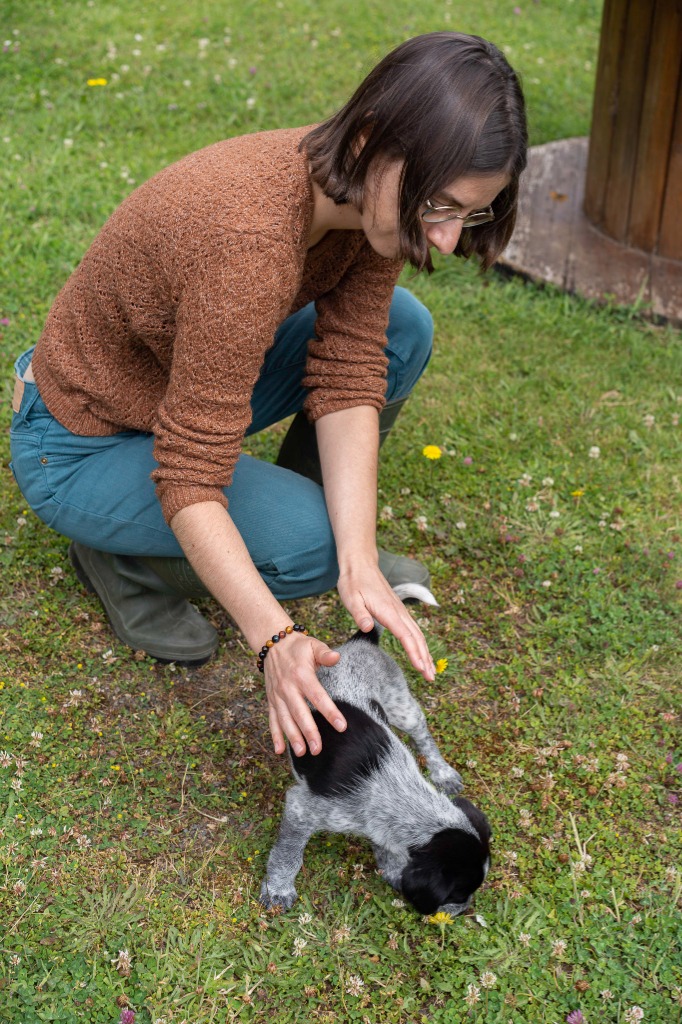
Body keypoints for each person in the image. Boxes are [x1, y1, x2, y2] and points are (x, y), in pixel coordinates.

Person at [9, 31, 527, 760]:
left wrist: (361, 562)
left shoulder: (362, 200)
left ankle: (293, 535)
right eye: (437, 205)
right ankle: (117, 554)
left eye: (469, 214)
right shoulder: (247, 247)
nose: (442, 242)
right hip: (80, 438)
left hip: (169, 386)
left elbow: (349, 367)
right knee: (309, 543)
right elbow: (190, 474)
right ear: (374, 141)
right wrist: (275, 637)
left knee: (400, 331)